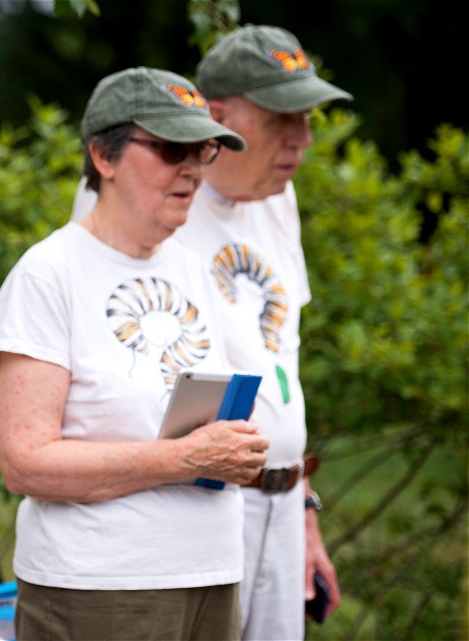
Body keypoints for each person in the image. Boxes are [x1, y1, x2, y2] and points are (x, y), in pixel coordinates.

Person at [73, 25, 349, 641]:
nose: (302, 141)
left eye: (307, 120)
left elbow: (284, 360)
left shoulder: (278, 199)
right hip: (186, 502)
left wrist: (301, 511)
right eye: (284, 119)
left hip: (278, 501)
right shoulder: (144, 194)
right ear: (219, 117)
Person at [0, 67, 271, 641]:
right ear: (103, 156)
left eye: (203, 149)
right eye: (171, 148)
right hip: (100, 587)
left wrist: (236, 448)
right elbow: (25, 462)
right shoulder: (49, 274)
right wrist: (188, 458)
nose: (191, 168)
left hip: (212, 575)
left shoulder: (193, 270)